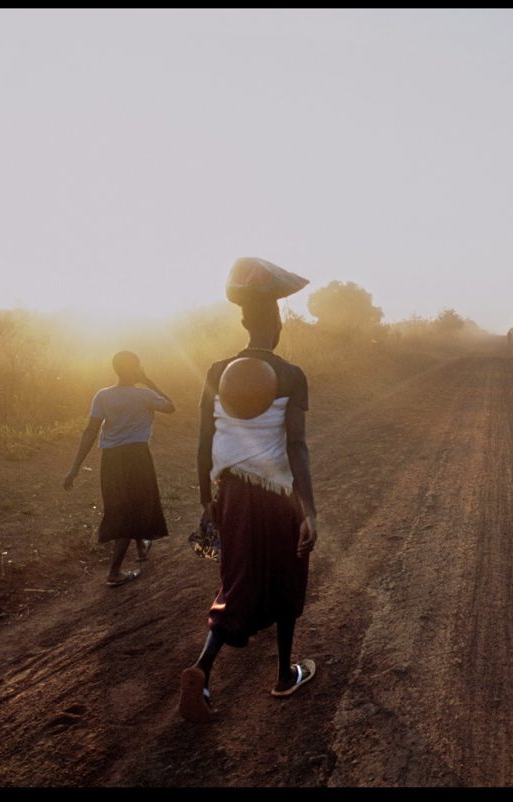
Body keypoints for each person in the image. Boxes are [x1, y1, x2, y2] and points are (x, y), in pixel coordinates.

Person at [179, 257, 318, 723]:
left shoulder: (218, 371)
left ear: (243, 320)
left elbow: (204, 440)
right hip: (278, 497)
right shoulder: (291, 374)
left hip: (232, 496)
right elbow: (296, 446)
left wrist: (206, 498)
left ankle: (202, 668)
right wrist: (309, 511)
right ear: (276, 322)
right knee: (287, 580)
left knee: (235, 582)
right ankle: (283, 675)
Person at [63, 350, 175, 586]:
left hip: (111, 460)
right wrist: (149, 381)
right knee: (135, 506)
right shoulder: (144, 395)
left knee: (122, 504)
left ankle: (142, 547)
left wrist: (74, 468)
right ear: (136, 369)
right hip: (137, 457)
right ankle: (114, 572)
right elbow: (171, 406)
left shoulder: (103, 396)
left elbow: (90, 432)